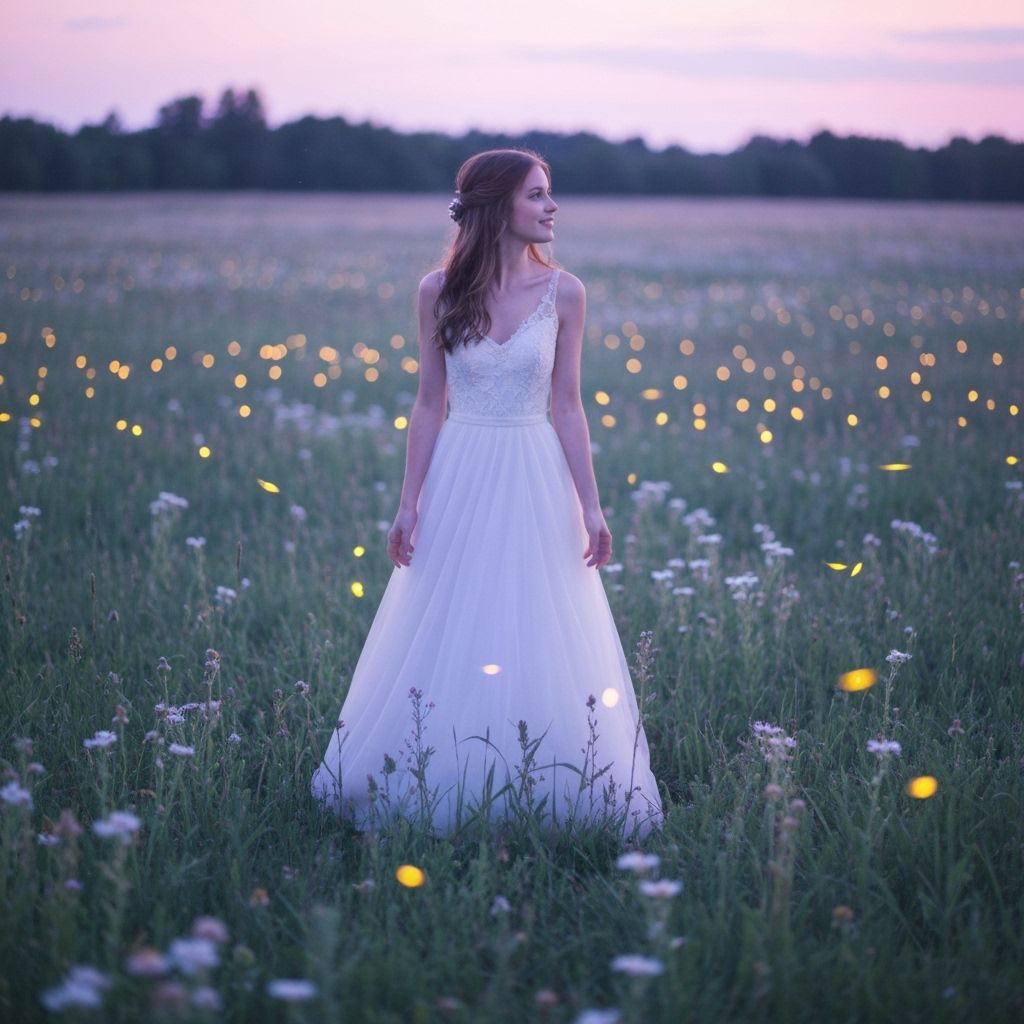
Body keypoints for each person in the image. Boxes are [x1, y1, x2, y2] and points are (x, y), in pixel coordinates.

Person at [311, 148, 665, 840]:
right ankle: (441, 771)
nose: (551, 207)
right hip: (461, 471)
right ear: (498, 207)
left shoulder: (566, 293)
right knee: (453, 617)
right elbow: (427, 404)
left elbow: (568, 405)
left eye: (550, 194)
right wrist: (409, 502)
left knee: (535, 617)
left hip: (535, 471)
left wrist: (591, 504)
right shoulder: (437, 290)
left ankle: (544, 777)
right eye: (537, 195)